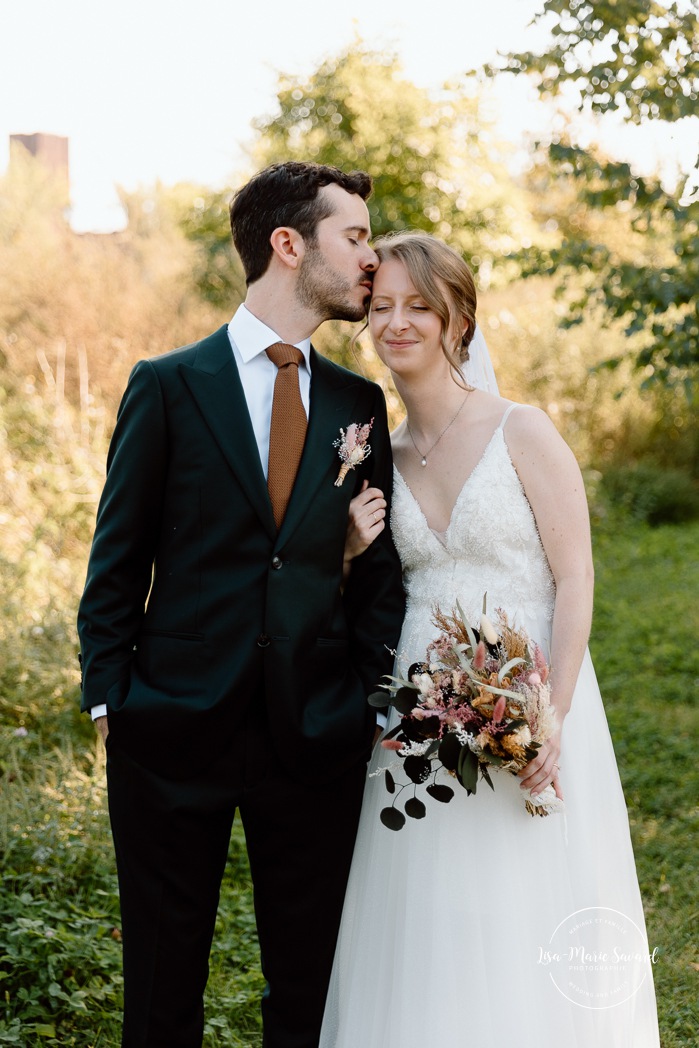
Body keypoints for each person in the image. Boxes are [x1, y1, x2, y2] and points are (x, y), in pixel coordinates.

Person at [77, 161, 405, 1048]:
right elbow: (117, 561)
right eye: (355, 236)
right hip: (170, 724)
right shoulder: (168, 385)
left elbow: (378, 578)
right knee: (161, 976)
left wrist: (369, 698)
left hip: (314, 731)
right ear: (288, 245)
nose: (371, 259)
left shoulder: (357, 404)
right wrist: (111, 698)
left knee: (307, 979)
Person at [322, 231, 660, 1047]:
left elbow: (574, 577)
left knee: (524, 891)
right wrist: (346, 550)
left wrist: (550, 713)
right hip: (418, 708)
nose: (397, 323)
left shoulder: (522, 430)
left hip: (534, 691)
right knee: (428, 904)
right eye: (382, 307)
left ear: (456, 318)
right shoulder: (379, 457)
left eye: (418, 307)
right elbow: (356, 593)